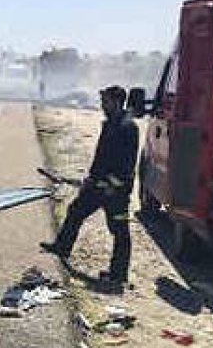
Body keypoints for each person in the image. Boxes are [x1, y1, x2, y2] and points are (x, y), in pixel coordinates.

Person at [40, 85, 139, 289]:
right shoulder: (110, 123)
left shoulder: (128, 127)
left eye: (106, 101)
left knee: (120, 232)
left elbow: (127, 163)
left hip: (115, 192)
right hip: (96, 186)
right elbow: (102, 157)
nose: (102, 105)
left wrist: (112, 185)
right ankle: (62, 248)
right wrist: (92, 178)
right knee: (75, 211)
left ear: (117, 102)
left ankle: (118, 276)